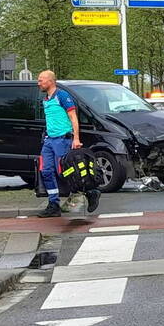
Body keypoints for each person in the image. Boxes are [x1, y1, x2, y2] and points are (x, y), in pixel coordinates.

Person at [36, 70, 99, 217]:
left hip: (62, 139)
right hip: (49, 140)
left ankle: (91, 192)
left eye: (41, 80)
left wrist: (76, 138)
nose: (38, 83)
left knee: (66, 171)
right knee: (46, 171)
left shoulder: (62, 96)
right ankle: (53, 204)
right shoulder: (46, 99)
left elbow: (73, 117)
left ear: (50, 81)